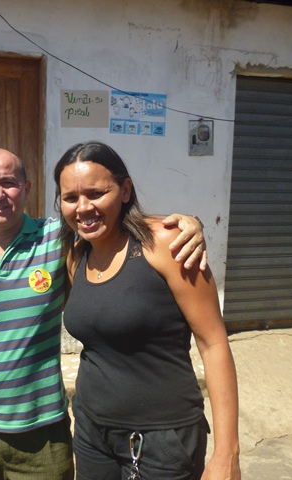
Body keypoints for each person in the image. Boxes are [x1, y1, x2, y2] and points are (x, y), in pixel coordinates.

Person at [0, 147, 207, 480]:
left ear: (26, 189)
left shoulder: (58, 240)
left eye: (8, 182)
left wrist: (188, 223)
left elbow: (113, 222)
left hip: (42, 436)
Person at [54, 141, 240, 480]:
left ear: (125, 190)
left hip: (161, 440)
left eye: (96, 193)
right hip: (92, 432)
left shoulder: (168, 245)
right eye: (70, 197)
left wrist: (227, 453)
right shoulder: (76, 255)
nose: (83, 207)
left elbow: (213, 343)